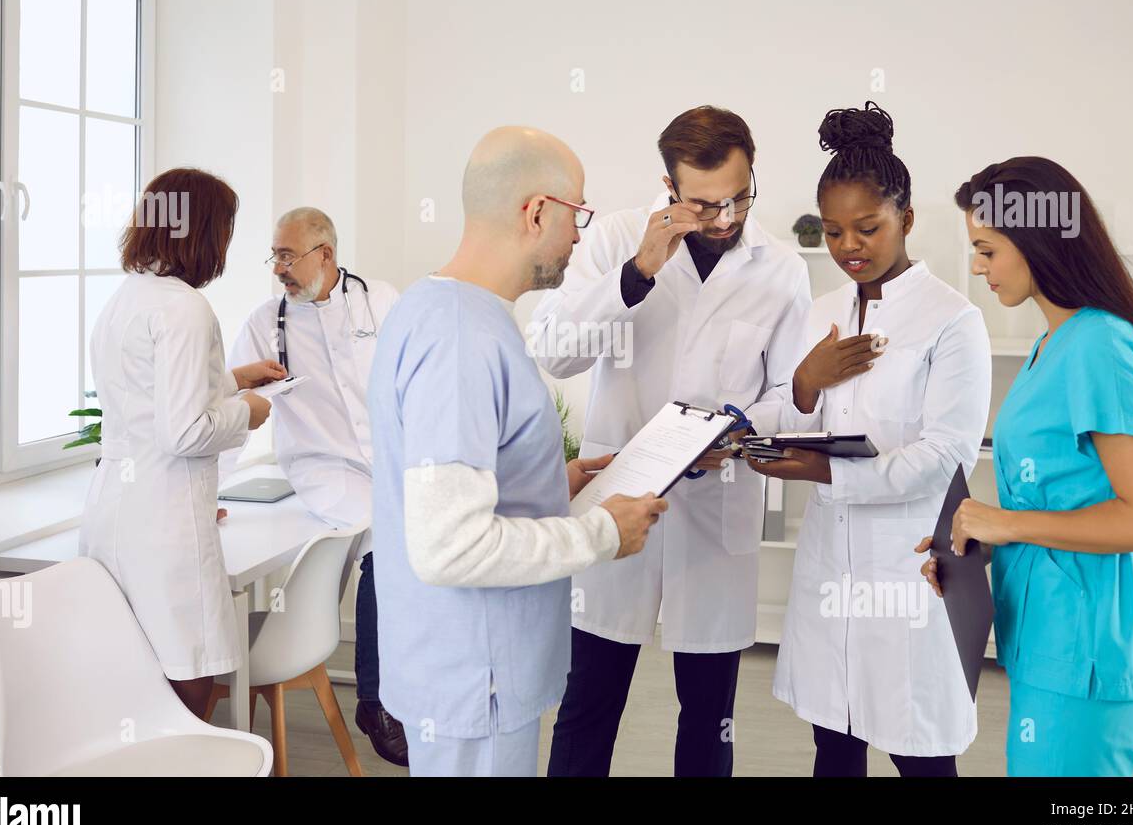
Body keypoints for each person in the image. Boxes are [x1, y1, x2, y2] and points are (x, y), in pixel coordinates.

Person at [368, 126, 668, 777]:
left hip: (461, 668)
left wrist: (545, 484)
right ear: (536, 211)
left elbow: (444, 483)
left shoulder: (439, 310)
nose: (582, 236)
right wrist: (600, 533)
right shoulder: (460, 338)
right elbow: (450, 544)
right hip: (475, 677)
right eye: (577, 214)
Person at [531, 106, 812, 777]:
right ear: (668, 183)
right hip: (619, 499)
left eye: (738, 197)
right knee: (589, 701)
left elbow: (792, 398)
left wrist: (740, 428)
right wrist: (636, 273)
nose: (722, 217)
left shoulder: (781, 269)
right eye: (703, 202)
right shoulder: (616, 240)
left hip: (717, 504)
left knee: (710, 716)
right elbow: (554, 350)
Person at [746, 102, 991, 776]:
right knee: (834, 739)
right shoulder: (821, 314)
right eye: (831, 231)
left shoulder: (952, 320)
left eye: (867, 227)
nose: (848, 246)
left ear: (907, 219)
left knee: (920, 747)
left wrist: (826, 474)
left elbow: (946, 456)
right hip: (831, 563)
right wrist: (802, 381)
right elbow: (789, 416)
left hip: (910, 566)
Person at [919, 156, 1133, 777]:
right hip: (1048, 641)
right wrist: (972, 544)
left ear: (1037, 238)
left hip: (1087, 649)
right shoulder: (1052, 343)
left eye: (986, 249)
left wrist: (1007, 524)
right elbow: (1062, 499)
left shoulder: (1101, 346)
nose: (978, 267)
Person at [80, 168, 284, 718]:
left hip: (114, 508)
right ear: (203, 233)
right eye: (225, 232)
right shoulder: (186, 308)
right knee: (191, 678)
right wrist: (250, 412)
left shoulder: (126, 299)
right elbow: (184, 431)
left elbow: (146, 401)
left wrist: (233, 378)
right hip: (166, 520)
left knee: (134, 675)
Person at [224, 206, 406, 764]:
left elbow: (409, 375)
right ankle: (376, 701)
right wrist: (206, 487)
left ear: (325, 254)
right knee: (383, 541)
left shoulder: (381, 299)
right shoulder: (264, 320)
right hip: (322, 466)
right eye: (274, 255)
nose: (278, 268)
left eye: (288, 255)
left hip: (389, 456)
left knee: (415, 541)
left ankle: (412, 687)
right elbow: (232, 408)